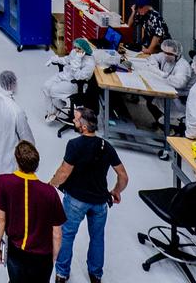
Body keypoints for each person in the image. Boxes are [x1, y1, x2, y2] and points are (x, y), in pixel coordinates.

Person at [49, 107, 128, 283]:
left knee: (66, 235)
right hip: (100, 203)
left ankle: (62, 273)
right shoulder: (106, 146)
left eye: (76, 120)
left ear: (84, 127)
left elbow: (64, 172)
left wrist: (50, 185)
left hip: (76, 201)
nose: (74, 122)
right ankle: (96, 275)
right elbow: (123, 175)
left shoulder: (75, 145)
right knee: (97, 238)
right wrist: (116, 191)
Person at [0, 141, 66, 282]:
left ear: (17, 160)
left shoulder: (4, 182)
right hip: (42, 257)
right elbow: (57, 233)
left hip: (16, 251)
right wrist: (53, 257)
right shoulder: (49, 193)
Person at [0, 70, 35, 184]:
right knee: (9, 185)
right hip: (9, 158)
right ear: (13, 84)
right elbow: (27, 138)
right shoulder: (16, 111)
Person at [42, 39, 96, 120]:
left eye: (79, 48)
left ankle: (59, 106)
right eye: (75, 47)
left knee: (53, 90)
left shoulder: (89, 63)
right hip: (65, 75)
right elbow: (67, 60)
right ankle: (53, 111)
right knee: (46, 86)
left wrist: (77, 60)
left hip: (76, 83)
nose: (76, 50)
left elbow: (78, 76)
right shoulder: (74, 52)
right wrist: (54, 59)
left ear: (85, 49)